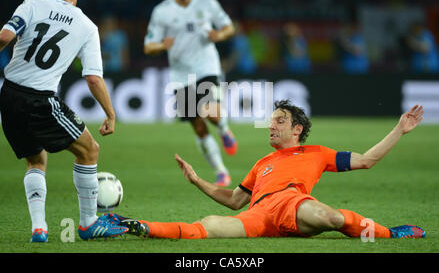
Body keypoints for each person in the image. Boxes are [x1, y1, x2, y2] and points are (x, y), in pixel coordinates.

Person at [110, 100, 425, 240]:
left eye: (280, 121)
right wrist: (197, 181)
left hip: (293, 204)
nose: (271, 125)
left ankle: (389, 233)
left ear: (297, 129)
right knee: (207, 226)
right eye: (271, 120)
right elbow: (235, 201)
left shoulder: (318, 154)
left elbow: (366, 160)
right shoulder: (262, 163)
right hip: (258, 216)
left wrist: (399, 130)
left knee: (334, 219)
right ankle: (135, 226)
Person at [0, 0, 128, 242]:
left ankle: (39, 228)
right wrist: (111, 113)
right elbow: (93, 79)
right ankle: (88, 223)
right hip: (40, 100)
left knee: (36, 159)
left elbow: (4, 37)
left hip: (9, 95)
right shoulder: (86, 26)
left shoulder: (30, 6)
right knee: (89, 150)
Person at [143, 0, 237, 186]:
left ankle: (224, 129)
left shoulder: (207, 3)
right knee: (198, 125)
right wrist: (162, 45)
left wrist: (219, 35)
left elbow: (229, 27)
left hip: (207, 67)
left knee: (211, 112)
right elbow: (148, 46)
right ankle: (221, 171)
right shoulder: (162, 11)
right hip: (180, 76)